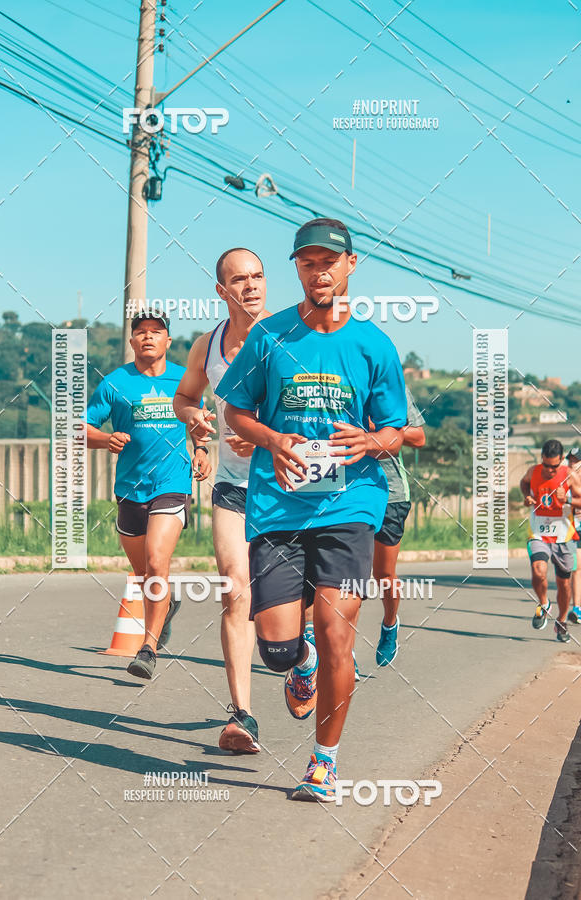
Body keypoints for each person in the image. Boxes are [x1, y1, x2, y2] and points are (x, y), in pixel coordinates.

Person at [217, 217, 407, 801]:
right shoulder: (270, 336)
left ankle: (322, 763)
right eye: (307, 263)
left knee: (336, 637)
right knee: (276, 648)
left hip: (350, 504)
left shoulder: (373, 343)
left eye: (329, 261)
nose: (318, 272)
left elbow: (397, 428)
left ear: (350, 266)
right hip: (278, 508)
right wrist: (273, 441)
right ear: (297, 269)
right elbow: (235, 413)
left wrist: (370, 442)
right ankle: (295, 663)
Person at [173, 248, 269, 754]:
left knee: (284, 623)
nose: (251, 286)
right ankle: (242, 716)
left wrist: (267, 437)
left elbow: (322, 409)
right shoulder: (207, 347)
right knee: (235, 590)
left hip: (291, 491)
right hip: (232, 489)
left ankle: (301, 659)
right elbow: (185, 397)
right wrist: (197, 421)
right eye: (240, 279)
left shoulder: (293, 339)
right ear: (221, 291)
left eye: (257, 277)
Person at [85, 309, 210, 678]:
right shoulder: (114, 383)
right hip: (130, 489)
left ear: (168, 340)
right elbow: (80, 430)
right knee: (143, 573)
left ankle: (148, 649)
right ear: (132, 340)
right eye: (141, 332)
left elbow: (198, 422)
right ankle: (165, 606)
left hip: (172, 484)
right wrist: (106, 438)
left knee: (157, 562)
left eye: (157, 332)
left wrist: (200, 450)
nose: (148, 337)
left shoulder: (184, 380)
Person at [374, 387, 426, 666]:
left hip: (390, 494)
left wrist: (385, 432)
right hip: (343, 492)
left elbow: (419, 437)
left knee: (383, 574)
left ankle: (390, 624)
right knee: (344, 575)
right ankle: (345, 653)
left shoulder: (393, 386)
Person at [520, 439, 581, 642]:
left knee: (564, 585)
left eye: (554, 466)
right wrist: (527, 497)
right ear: (542, 460)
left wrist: (569, 500)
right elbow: (524, 483)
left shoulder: (569, 475)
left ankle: (561, 622)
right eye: (546, 465)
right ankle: (544, 603)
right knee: (538, 571)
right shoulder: (534, 471)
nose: (549, 470)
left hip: (563, 536)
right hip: (538, 532)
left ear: (561, 460)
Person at [567, 447, 581, 624]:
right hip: (574, 528)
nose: (572, 463)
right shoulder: (564, 479)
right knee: (576, 568)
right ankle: (577, 608)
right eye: (570, 460)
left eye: (575, 460)